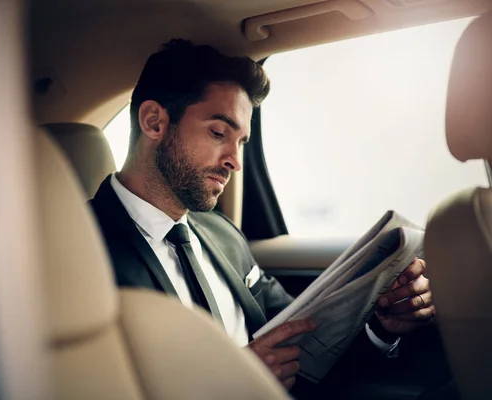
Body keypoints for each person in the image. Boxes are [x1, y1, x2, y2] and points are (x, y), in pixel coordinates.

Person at [89, 39, 438, 394]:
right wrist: (233, 383)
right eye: (218, 133)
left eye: (240, 143)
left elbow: (307, 345)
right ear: (154, 121)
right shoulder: (74, 251)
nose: (234, 162)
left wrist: (383, 327)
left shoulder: (221, 234)